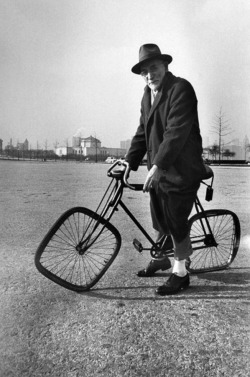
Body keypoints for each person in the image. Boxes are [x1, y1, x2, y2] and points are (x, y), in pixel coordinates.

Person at [125, 44, 207, 295]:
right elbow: (143, 131)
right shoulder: (147, 94)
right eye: (145, 71)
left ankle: (180, 273)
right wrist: (130, 160)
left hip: (182, 168)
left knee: (175, 218)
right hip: (159, 169)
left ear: (165, 67)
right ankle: (162, 258)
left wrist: (158, 165)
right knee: (159, 215)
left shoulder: (180, 88)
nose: (150, 75)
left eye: (155, 68)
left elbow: (176, 132)